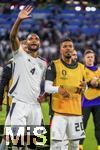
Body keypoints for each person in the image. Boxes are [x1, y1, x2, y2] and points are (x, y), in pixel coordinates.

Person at [1, 5, 47, 150]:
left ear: (39, 43)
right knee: (16, 145)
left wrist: (44, 95)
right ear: (26, 43)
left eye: (36, 39)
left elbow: (41, 84)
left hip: (35, 106)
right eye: (30, 39)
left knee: (33, 145)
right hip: (19, 104)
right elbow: (12, 37)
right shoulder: (19, 56)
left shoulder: (43, 63)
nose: (33, 40)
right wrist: (19, 20)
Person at [45, 38, 88, 150]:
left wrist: (85, 87)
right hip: (59, 113)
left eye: (70, 46)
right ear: (60, 50)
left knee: (74, 145)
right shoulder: (54, 65)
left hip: (76, 112)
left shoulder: (81, 67)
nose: (68, 48)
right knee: (56, 144)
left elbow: (84, 87)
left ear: (73, 49)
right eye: (65, 46)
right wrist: (59, 89)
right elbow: (47, 87)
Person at [79, 50, 100, 150]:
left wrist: (96, 84)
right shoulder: (81, 70)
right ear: (84, 59)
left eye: (92, 57)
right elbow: (82, 84)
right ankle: (79, 146)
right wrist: (91, 83)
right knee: (82, 126)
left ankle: (99, 146)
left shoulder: (99, 70)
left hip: (98, 102)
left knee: (99, 126)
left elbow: (96, 84)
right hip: (86, 102)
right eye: (88, 57)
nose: (90, 58)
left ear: (94, 58)